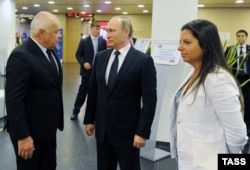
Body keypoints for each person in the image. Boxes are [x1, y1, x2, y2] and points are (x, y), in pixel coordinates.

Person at [170, 19, 248, 170]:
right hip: (189, 156)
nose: (180, 48)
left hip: (209, 161)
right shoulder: (191, 73)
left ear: (205, 45)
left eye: (187, 42)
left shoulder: (218, 79)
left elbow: (237, 134)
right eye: (180, 42)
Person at [83, 16, 157, 170]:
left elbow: (149, 100)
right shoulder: (101, 57)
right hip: (103, 133)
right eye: (106, 30)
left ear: (126, 31)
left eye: (111, 30)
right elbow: (93, 90)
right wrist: (89, 119)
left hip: (128, 134)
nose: (107, 35)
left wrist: (142, 132)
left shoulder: (143, 61)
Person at [5, 11, 64, 170]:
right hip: (30, 132)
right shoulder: (21, 56)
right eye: (55, 32)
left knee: (49, 165)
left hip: (47, 129)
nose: (59, 36)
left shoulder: (49, 51)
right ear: (41, 33)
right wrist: (23, 136)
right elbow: (14, 100)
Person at [70, 22, 107, 120]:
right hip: (87, 72)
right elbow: (78, 55)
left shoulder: (102, 42)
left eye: (99, 29)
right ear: (91, 29)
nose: (98, 31)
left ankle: (95, 114)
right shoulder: (84, 41)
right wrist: (83, 63)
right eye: (96, 29)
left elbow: (104, 56)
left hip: (98, 72)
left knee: (97, 93)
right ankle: (75, 111)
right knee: (82, 92)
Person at [224, 29, 250, 137]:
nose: (240, 38)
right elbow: (225, 63)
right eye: (238, 36)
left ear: (246, 37)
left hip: (247, 79)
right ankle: (234, 126)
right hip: (234, 79)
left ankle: (247, 126)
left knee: (248, 103)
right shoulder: (230, 49)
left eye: (242, 36)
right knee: (234, 102)